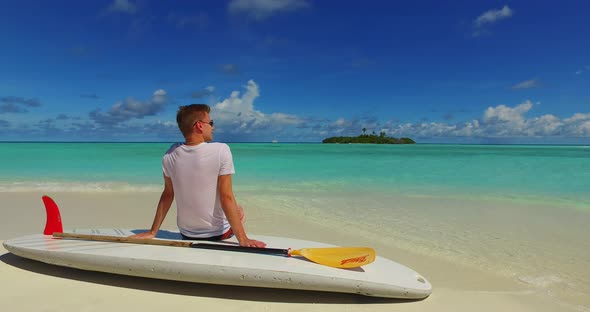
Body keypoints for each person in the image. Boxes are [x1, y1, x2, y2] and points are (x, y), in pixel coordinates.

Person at [131, 104, 266, 248]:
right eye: (211, 123)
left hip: (187, 234)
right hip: (219, 234)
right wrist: (243, 239)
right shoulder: (221, 150)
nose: (213, 127)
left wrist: (153, 231)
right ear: (200, 126)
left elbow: (168, 194)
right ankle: (236, 231)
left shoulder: (169, 155)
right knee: (239, 210)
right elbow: (226, 197)